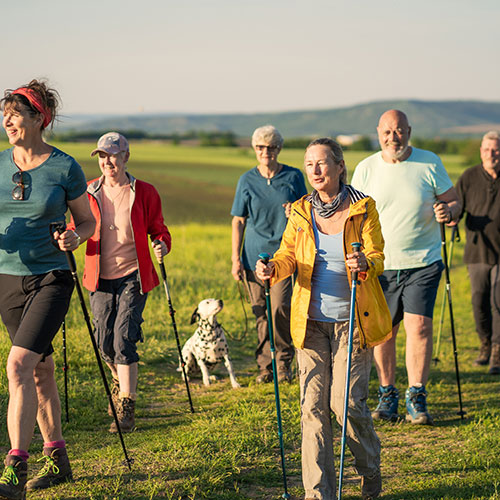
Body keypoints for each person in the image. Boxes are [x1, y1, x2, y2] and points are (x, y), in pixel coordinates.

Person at [256, 138, 391, 500]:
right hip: (310, 323)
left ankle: (369, 470)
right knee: (312, 409)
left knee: (345, 404)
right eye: (309, 163)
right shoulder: (300, 211)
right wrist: (272, 268)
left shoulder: (364, 207)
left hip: (352, 320)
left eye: (322, 163)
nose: (314, 170)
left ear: (339, 166)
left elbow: (377, 255)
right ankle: (319, 494)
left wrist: (365, 264)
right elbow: (287, 255)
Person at [0, 79, 95, 498]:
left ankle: (14, 469)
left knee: (18, 365)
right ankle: (57, 459)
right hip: (6, 280)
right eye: (5, 114)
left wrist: (76, 237)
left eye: (16, 113)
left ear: (39, 118)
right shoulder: (0, 165)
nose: (8, 121)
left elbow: (87, 222)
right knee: (40, 371)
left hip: (51, 279)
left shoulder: (64, 167)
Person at [351, 109, 461, 425]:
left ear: (409, 131)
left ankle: (416, 394)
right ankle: (387, 394)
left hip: (423, 262)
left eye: (399, 131)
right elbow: (353, 216)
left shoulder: (430, 162)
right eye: (387, 132)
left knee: (420, 327)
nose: (393, 137)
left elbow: (454, 201)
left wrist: (449, 211)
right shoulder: (366, 168)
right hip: (380, 265)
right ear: (378, 133)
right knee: (385, 332)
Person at [81, 132, 171, 433]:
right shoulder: (89, 191)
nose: (108, 161)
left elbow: (159, 229)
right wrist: (67, 236)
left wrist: (161, 244)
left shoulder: (144, 192)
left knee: (123, 338)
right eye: (102, 156)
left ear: (126, 157)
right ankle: (121, 379)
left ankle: (127, 406)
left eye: (113, 155)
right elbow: (77, 226)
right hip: (99, 276)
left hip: (134, 274)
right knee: (103, 342)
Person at [231, 125, 307, 383]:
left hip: (284, 255)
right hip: (252, 256)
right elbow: (238, 221)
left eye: (272, 147)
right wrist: (235, 259)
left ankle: (283, 361)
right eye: (261, 147)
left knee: (281, 308)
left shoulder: (294, 177)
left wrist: (293, 212)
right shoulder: (246, 180)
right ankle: (265, 365)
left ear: (279, 149)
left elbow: (306, 211)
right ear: (254, 149)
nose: (266, 152)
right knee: (260, 312)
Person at [456, 131, 500, 374]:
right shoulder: (469, 177)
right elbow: (456, 206)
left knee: (498, 301)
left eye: (495, 150)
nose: (490, 154)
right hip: (476, 251)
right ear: (481, 152)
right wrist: (451, 218)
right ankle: (484, 342)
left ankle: (497, 351)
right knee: (478, 301)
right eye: (486, 150)